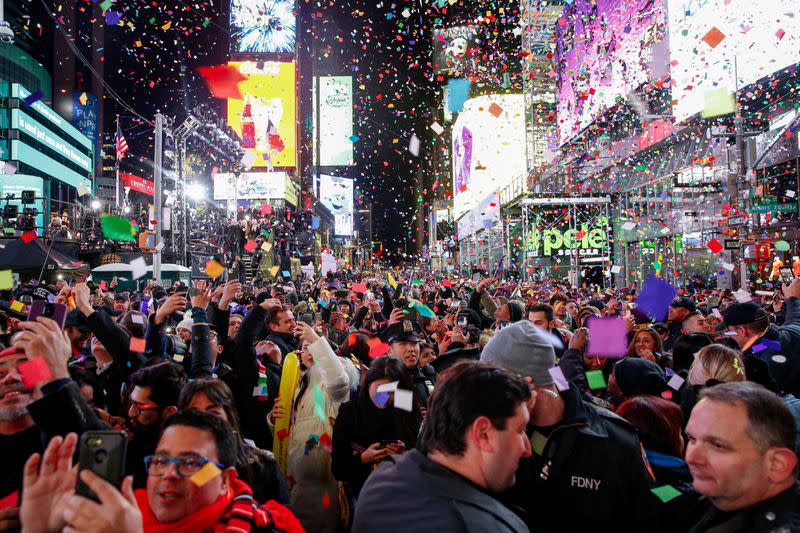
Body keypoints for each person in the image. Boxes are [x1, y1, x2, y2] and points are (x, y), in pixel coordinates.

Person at [481, 320, 655, 532]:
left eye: (495, 384)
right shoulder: (490, 436)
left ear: (526, 384)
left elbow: (645, 512)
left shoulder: (615, 438)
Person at [19, 410, 303, 533]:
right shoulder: (116, 516)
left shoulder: (269, 526)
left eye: (191, 462)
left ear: (225, 480)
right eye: (161, 460)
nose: (169, 474)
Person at [352, 361, 531, 533]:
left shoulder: (381, 481)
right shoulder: (477, 526)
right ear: (482, 433)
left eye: (393, 390)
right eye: (520, 430)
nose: (527, 449)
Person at [267, 321, 358, 533]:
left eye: (312, 346)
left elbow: (338, 380)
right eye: (304, 346)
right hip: (294, 468)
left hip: (321, 471)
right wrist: (274, 418)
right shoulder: (296, 382)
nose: (307, 350)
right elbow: (289, 428)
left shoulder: (330, 381)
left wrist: (316, 339)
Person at [686, 382, 800, 532]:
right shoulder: (715, 496)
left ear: (777, 464)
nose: (691, 458)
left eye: (718, 446)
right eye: (692, 439)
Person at [178, 379, 289, 504]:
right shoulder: (168, 470)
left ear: (230, 418)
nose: (204, 420)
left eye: (213, 413)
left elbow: (284, 520)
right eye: (194, 413)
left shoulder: (263, 468)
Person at [332, 357, 423, 504]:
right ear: (368, 384)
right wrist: (363, 458)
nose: (386, 397)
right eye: (381, 389)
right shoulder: (350, 411)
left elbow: (421, 455)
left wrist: (404, 452)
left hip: (403, 494)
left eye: (393, 391)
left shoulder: (405, 404)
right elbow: (337, 469)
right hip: (362, 495)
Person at [723, 278, 800, 396]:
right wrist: (792, 299)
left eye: (730, 331)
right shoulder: (782, 336)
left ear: (742, 331)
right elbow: (795, 315)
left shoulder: (760, 366)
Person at [383, 318, 437, 406]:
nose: (411, 349)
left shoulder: (429, 374)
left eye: (414, 343)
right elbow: (375, 414)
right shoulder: (383, 381)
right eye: (403, 344)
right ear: (390, 351)